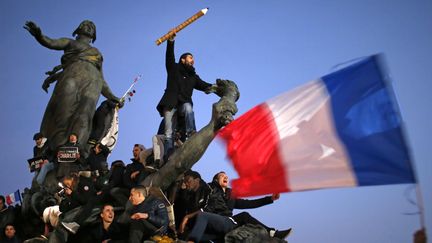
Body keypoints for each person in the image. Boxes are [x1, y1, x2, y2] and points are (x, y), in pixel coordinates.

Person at [24, 20, 121, 154]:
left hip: (93, 83)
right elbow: (51, 42)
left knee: (85, 115)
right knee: (63, 112)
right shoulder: (70, 42)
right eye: (85, 24)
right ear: (78, 29)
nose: (89, 26)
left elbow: (102, 78)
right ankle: (56, 148)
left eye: (92, 26)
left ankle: (78, 149)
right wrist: (39, 36)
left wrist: (112, 96)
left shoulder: (96, 53)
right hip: (71, 77)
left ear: (94, 35)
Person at [156, 33, 217, 157]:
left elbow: (205, 85)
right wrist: (171, 42)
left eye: (193, 58)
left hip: (184, 103)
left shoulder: (193, 76)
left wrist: (217, 87)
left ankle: (191, 132)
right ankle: (168, 155)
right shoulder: (174, 68)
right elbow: (169, 57)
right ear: (182, 59)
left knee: (188, 108)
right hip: (170, 103)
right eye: (190, 57)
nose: (192, 60)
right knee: (168, 133)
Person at [186, 172, 291, 243]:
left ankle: (272, 233)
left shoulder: (231, 195)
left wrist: (270, 199)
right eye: (222, 176)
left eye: (226, 176)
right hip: (211, 222)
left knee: (244, 215)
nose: (226, 177)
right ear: (216, 180)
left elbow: (249, 203)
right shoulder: (210, 188)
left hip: (227, 222)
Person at [177, 170, 211, 237]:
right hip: (188, 227)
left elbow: (209, 208)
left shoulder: (208, 190)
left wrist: (187, 217)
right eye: (185, 182)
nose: (186, 183)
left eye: (188, 181)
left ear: (197, 180)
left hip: (204, 227)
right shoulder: (187, 192)